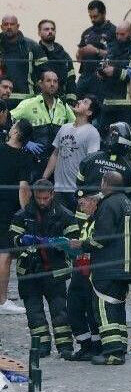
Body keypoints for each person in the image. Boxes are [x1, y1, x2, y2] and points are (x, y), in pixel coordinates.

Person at [72, 172, 131, 365]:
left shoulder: (109, 205)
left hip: (109, 267)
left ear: (105, 183)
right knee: (117, 308)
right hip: (127, 267)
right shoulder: (127, 203)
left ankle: (112, 352)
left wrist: (82, 244)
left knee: (104, 308)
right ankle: (121, 347)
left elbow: (102, 238)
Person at [10, 179, 80, 358]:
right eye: (39, 198)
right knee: (34, 312)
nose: (42, 201)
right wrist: (22, 241)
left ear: (52, 195)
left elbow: (74, 241)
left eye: (45, 198)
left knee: (59, 312)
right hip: (29, 272)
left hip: (54, 271)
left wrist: (58, 244)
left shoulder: (64, 215)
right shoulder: (22, 215)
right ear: (34, 195)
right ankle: (41, 346)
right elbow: (13, 240)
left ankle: (65, 347)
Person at [10, 70, 76, 180]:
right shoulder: (29, 104)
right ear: (40, 84)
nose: (52, 84)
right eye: (48, 81)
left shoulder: (63, 106)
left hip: (57, 164)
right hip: (33, 162)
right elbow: (8, 121)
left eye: (55, 81)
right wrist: (24, 142)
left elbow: (76, 127)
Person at [43, 95, 102, 211]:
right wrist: (44, 178)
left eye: (84, 102)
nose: (79, 101)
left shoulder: (92, 133)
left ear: (89, 112)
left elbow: (92, 162)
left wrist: (86, 191)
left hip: (76, 191)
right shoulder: (64, 127)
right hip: (58, 189)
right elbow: (55, 154)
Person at [0, 119, 32, 315]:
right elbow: (23, 189)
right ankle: (2, 300)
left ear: (15, 132)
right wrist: (26, 215)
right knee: (5, 255)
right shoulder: (24, 157)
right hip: (8, 209)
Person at [65, 190, 101, 361]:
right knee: (73, 307)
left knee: (91, 310)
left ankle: (96, 346)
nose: (81, 207)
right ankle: (84, 345)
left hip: (93, 272)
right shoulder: (87, 222)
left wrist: (81, 244)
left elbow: (98, 243)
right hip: (80, 270)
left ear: (94, 201)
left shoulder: (99, 220)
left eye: (83, 203)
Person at [77, 122, 131, 212]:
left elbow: (79, 184)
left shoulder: (89, 159)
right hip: (109, 213)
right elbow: (128, 196)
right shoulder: (129, 169)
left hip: (87, 212)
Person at [100, 20, 131, 133]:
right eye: (117, 34)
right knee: (106, 142)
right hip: (108, 106)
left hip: (127, 107)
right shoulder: (111, 50)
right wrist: (100, 72)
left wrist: (115, 72)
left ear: (130, 33)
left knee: (126, 142)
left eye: (122, 34)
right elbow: (102, 65)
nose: (119, 37)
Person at [0, 14, 48, 108]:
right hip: (1, 101)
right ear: (1, 27)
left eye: (12, 24)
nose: (9, 27)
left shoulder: (32, 46)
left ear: (18, 26)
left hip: (26, 101)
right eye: (6, 24)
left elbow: (44, 74)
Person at [38, 19, 77, 106]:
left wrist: (70, 101)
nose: (50, 31)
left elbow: (71, 80)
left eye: (52, 29)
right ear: (39, 33)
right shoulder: (36, 53)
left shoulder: (64, 55)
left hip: (61, 101)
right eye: (46, 29)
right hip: (40, 101)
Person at [76, 0, 116, 78]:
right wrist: (80, 52)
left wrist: (96, 51)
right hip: (85, 76)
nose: (92, 20)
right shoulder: (86, 33)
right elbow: (78, 59)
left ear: (104, 13)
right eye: (90, 17)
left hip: (103, 77)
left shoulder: (114, 32)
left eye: (95, 16)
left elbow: (116, 57)